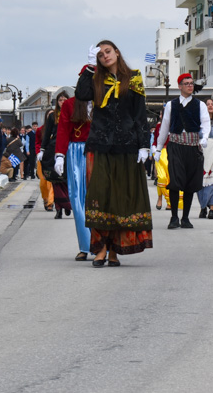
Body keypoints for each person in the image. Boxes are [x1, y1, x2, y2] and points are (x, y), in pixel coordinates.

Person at [75, 40, 152, 267]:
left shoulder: (134, 78)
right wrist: (89, 67)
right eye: (99, 55)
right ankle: (101, 248)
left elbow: (139, 115)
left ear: (117, 52)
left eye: (107, 52)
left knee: (121, 200)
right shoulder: (96, 79)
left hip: (127, 146)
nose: (105, 56)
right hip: (99, 145)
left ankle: (114, 252)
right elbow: (81, 94)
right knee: (100, 197)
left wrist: (144, 145)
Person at [153, 73, 209, 229]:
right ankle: (173, 218)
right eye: (186, 83)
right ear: (180, 86)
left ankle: (185, 217)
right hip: (176, 145)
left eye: (191, 83)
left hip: (193, 146)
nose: (190, 86)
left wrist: (204, 138)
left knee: (191, 182)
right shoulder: (171, 105)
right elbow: (164, 127)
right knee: (175, 181)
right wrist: (158, 147)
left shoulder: (200, 105)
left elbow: (205, 124)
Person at [55, 95, 92, 260]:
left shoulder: (104, 100)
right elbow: (63, 129)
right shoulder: (70, 104)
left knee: (98, 199)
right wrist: (60, 155)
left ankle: (103, 244)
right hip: (76, 152)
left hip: (99, 152)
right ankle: (85, 245)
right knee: (77, 200)